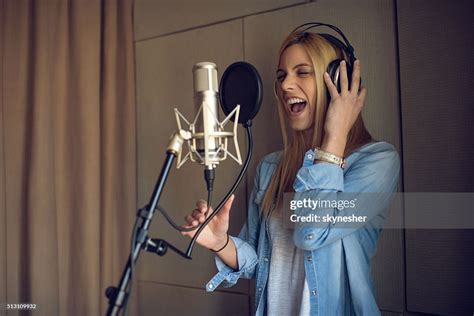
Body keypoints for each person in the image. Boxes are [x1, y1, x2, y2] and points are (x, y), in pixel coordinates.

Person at [181, 25, 400, 316]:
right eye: (282, 75)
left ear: (338, 80)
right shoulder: (271, 168)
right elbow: (258, 261)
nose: (285, 85)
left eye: (302, 72)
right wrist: (220, 242)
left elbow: (312, 231)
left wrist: (335, 135)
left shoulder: (377, 162)